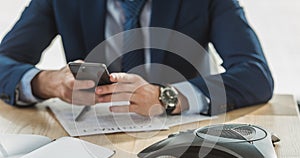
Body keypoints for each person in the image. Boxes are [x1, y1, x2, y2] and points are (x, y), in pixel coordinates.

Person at [0, 0, 274, 116]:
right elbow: (4, 60)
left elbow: (255, 74)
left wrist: (165, 96)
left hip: (182, 137)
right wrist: (46, 82)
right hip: (92, 138)